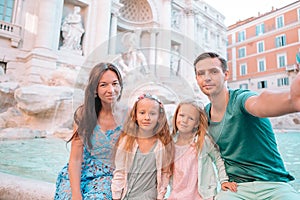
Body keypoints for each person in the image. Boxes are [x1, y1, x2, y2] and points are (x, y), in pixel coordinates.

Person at [193, 52, 300, 200]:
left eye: (214, 71)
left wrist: (291, 101)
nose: (207, 78)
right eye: (201, 74)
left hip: (274, 184)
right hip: (235, 188)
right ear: (197, 79)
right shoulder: (204, 115)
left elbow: (260, 102)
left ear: (226, 74)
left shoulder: (241, 99)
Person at [54, 62, 124, 199]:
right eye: (104, 85)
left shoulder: (128, 115)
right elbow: (75, 158)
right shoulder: (83, 114)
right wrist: (76, 194)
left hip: (108, 176)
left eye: (115, 84)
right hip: (80, 172)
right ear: (95, 89)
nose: (111, 90)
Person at [168, 99, 237, 200]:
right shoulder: (171, 143)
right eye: (181, 115)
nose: (184, 120)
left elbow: (218, 159)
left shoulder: (202, 141)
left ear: (196, 124)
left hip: (201, 195)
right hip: (177, 195)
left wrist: (224, 180)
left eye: (190, 118)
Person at [111, 93, 174, 200]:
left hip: (149, 196)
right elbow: (120, 172)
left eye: (152, 113)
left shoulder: (162, 145)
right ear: (135, 116)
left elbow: (165, 174)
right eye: (142, 113)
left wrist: (160, 196)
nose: (147, 117)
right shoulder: (126, 142)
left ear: (159, 117)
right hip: (127, 195)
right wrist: (116, 197)